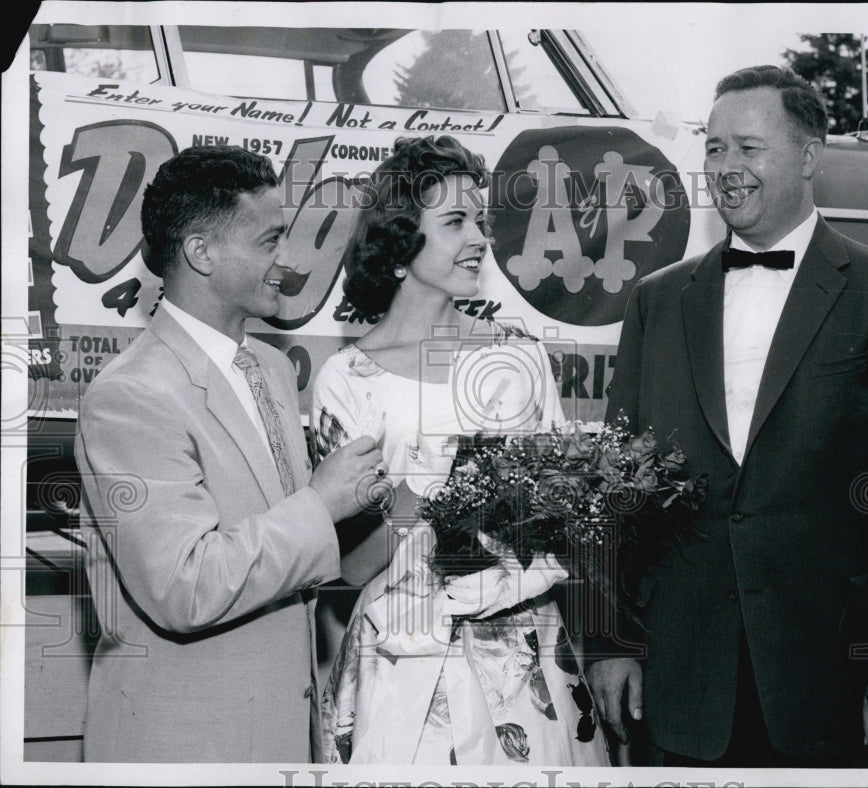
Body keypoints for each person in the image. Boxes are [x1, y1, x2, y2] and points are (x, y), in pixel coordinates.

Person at [586, 65, 868, 768]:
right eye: (713, 148)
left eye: (749, 148)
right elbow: (616, 492)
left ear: (810, 155)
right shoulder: (656, 301)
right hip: (678, 692)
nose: (726, 169)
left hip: (833, 690)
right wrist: (608, 641)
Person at [75, 145, 384, 762]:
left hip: (280, 737)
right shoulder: (130, 396)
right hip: (187, 749)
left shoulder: (269, 367)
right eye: (271, 241)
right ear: (201, 253)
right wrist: (321, 503)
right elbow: (186, 587)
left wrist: (367, 504)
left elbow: (288, 548)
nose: (292, 261)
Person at [311, 135, 611, 766]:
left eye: (480, 220)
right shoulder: (348, 378)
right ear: (400, 244)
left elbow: (567, 526)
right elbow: (353, 568)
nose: (479, 237)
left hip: (525, 658)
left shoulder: (518, 356)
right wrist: (418, 496)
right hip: (404, 668)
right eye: (455, 222)